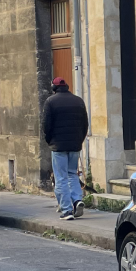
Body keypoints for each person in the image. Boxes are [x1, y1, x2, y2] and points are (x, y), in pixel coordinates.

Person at [42, 76, 88, 219]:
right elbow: (85, 124)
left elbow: (46, 125)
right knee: (72, 174)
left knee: (61, 177)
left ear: (54, 88)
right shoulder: (78, 101)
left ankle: (67, 210)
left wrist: (50, 141)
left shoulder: (50, 102)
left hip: (58, 146)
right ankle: (77, 200)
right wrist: (79, 140)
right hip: (75, 145)